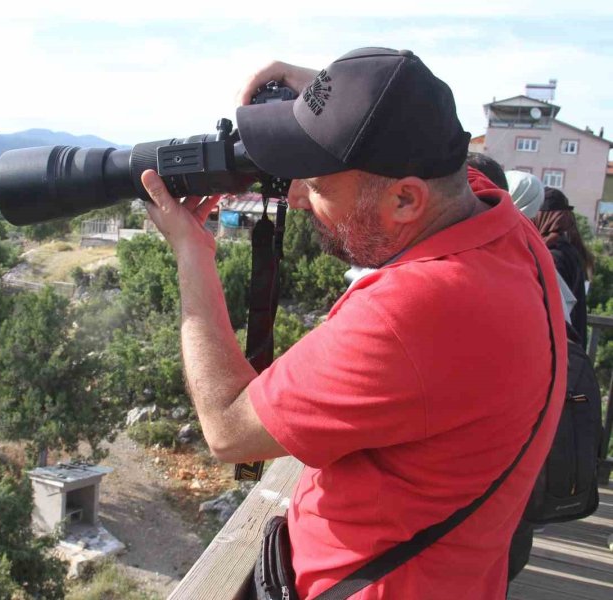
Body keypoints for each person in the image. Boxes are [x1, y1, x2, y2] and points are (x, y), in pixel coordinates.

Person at [141, 48, 567, 599]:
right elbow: (412, 119)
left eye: (315, 185)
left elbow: (227, 429)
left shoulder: (415, 311)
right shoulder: (503, 230)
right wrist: (329, 90)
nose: (293, 196)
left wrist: (192, 254)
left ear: (405, 199)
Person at [533, 188, 593, 349]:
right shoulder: (568, 250)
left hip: (560, 351)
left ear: (542, 216)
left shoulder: (554, 256)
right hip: (570, 348)